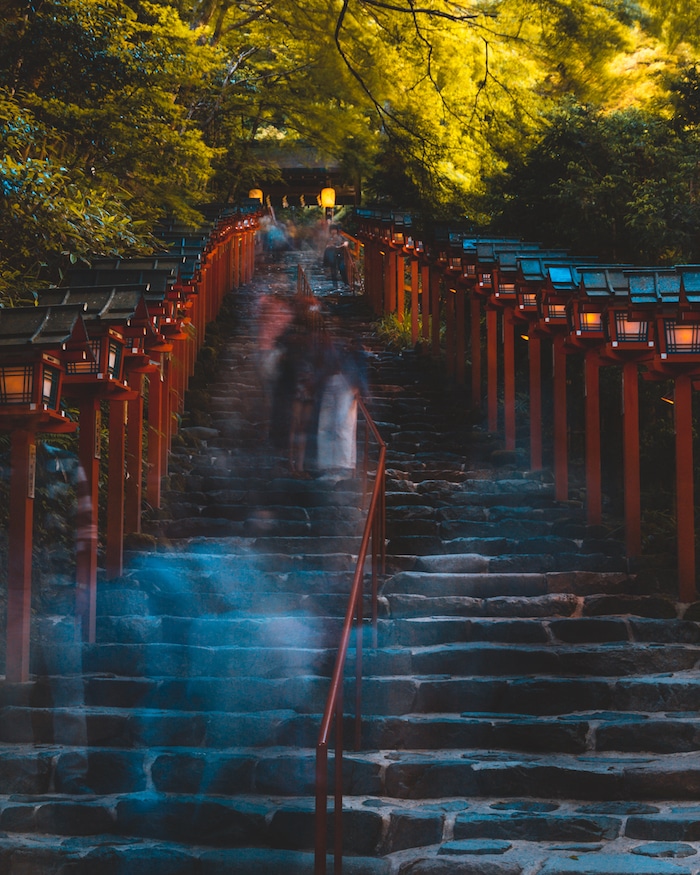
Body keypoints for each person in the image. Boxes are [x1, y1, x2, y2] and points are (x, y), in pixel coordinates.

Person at [316, 337, 368, 478]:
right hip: (335, 379)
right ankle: (332, 464)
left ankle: (343, 465)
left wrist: (361, 387)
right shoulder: (344, 350)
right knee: (329, 424)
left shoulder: (353, 351)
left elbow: (360, 364)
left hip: (346, 381)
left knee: (342, 424)